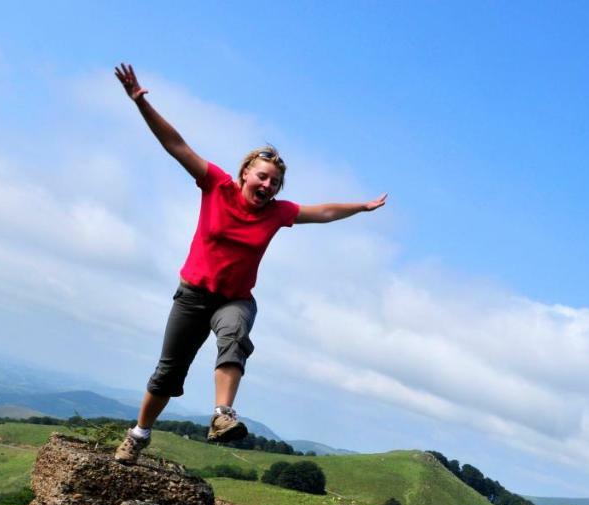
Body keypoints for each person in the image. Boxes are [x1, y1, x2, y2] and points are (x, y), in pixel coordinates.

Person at [110, 63, 387, 463]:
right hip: (192, 295)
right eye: (262, 177)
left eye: (274, 182)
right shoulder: (216, 185)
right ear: (244, 173)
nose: (267, 186)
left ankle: (222, 415)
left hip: (234, 300)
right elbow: (176, 145)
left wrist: (360, 207)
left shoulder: (277, 212)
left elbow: (322, 212)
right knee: (167, 374)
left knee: (234, 337)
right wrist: (140, 104)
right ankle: (139, 435)